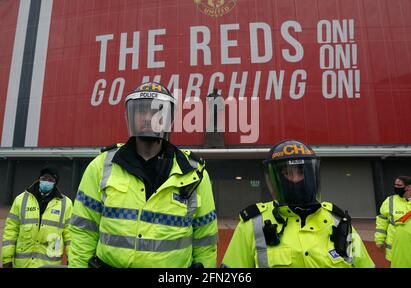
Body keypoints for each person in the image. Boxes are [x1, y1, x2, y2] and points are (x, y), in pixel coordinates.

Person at [68, 82, 217, 268]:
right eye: (141, 112)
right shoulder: (101, 166)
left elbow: (205, 241)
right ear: (130, 117)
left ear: (168, 119)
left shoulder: (195, 174)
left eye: (156, 111)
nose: (148, 118)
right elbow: (83, 230)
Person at [221, 140, 375, 268]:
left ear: (312, 174)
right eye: (287, 173)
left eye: (301, 172)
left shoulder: (339, 222)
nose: (295, 179)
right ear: (274, 180)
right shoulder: (253, 223)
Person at [1, 165, 73, 268]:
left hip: (49, 264)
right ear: (38, 179)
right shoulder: (21, 199)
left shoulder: (66, 203)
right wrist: (6, 259)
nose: (46, 182)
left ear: (55, 182)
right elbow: (11, 231)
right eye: (43, 178)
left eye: (50, 179)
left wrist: (72, 259)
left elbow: (70, 235)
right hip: (23, 264)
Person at [375, 175, 411, 262]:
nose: (396, 187)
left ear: (409, 187)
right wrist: (379, 240)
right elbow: (381, 223)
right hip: (395, 245)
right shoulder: (389, 201)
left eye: (399, 186)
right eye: (395, 185)